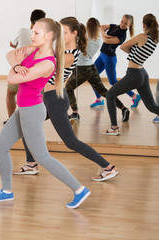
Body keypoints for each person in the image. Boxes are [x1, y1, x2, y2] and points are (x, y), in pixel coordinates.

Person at [0, 18, 90, 209]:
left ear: (49, 36)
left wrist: (15, 69)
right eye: (33, 32)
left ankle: (79, 189)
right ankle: (7, 191)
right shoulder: (34, 50)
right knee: (1, 145)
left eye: (36, 33)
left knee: (42, 157)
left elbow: (12, 78)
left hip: (32, 111)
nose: (31, 35)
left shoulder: (48, 63)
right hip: (24, 109)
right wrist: (17, 65)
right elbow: (10, 54)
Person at [16, 17, 119, 182]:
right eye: (59, 32)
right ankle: (31, 163)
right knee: (25, 124)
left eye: (64, 33)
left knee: (70, 142)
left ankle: (108, 167)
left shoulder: (71, 55)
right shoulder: (60, 51)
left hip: (55, 99)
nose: (61, 36)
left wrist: (35, 51)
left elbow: (44, 65)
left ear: (74, 33)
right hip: (46, 98)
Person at [103, 13, 159, 135]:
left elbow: (123, 47)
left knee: (110, 95)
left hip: (134, 75)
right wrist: (134, 51)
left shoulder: (142, 37)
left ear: (143, 25)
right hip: (143, 74)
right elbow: (138, 53)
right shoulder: (155, 39)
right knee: (152, 107)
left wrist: (132, 50)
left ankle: (114, 128)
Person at [66, 17, 130, 121]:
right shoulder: (99, 40)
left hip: (81, 69)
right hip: (92, 68)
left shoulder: (82, 38)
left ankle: (75, 113)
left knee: (68, 89)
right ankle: (123, 108)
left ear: (88, 26)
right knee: (104, 91)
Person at [90, 14, 140, 108]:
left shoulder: (122, 36)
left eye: (126, 23)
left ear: (129, 25)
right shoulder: (114, 26)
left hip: (109, 59)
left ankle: (134, 96)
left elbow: (106, 41)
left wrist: (104, 34)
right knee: (92, 76)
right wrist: (104, 33)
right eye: (122, 21)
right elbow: (101, 27)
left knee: (113, 81)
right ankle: (99, 100)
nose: (122, 24)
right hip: (102, 56)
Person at [6, 9, 46, 121]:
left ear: (30, 19)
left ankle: (11, 119)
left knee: (11, 93)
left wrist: (20, 50)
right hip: (35, 69)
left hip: (20, 67)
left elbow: (11, 44)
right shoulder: (44, 36)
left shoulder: (23, 31)